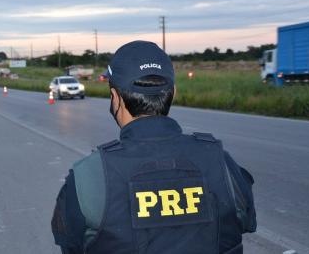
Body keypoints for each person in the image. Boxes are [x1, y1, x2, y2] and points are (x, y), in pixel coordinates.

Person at [51, 40, 256, 254]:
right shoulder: (222, 163)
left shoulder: (89, 176)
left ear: (115, 98)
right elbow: (245, 223)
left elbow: (71, 246)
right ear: (173, 92)